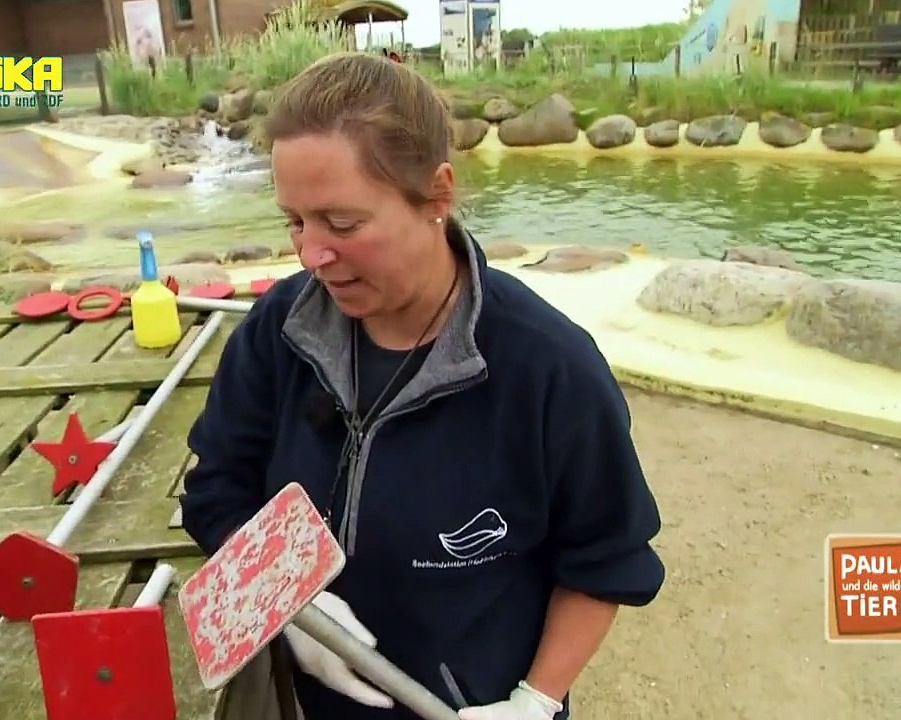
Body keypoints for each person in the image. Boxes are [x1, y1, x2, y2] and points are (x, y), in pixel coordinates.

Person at [180, 51, 665, 720]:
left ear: (437, 194)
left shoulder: (550, 370)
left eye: (342, 223)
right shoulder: (278, 332)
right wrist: (288, 599)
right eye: (294, 220)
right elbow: (216, 490)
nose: (312, 255)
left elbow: (606, 559)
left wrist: (534, 701)